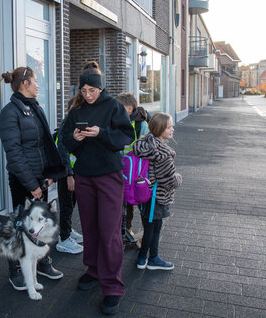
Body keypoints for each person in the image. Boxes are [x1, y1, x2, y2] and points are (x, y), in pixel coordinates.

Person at [62, 62, 134, 316]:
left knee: (110, 231)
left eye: (92, 90)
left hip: (109, 177)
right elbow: (65, 141)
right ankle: (93, 270)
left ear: (100, 88)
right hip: (85, 176)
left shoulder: (113, 106)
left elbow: (127, 137)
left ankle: (112, 287)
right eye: (83, 90)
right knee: (90, 227)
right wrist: (76, 138)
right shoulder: (75, 110)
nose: (87, 95)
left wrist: (101, 133)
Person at [0, 66, 67, 290]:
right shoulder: (10, 113)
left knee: (40, 224)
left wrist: (49, 176)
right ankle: (15, 270)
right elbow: (15, 155)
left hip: (39, 179)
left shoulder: (34, 108)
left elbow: (43, 146)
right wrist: (31, 186)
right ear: (25, 83)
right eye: (35, 81)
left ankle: (42, 262)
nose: (38, 85)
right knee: (20, 224)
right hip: (22, 180)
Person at [132, 112, 182, 271]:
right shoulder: (164, 153)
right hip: (157, 197)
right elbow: (169, 180)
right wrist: (179, 178)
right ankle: (149, 258)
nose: (172, 129)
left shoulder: (144, 143)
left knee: (149, 227)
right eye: (169, 127)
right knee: (153, 229)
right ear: (160, 128)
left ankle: (146, 258)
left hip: (144, 194)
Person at [114, 93, 150, 245]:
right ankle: (124, 230)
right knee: (121, 201)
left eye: (119, 108)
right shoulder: (119, 121)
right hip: (119, 169)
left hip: (136, 172)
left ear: (128, 109)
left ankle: (136, 232)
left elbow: (146, 146)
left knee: (134, 201)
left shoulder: (141, 125)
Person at [54, 117, 84, 254]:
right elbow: (63, 152)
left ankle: (68, 230)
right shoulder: (67, 126)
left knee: (71, 204)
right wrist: (69, 175)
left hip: (74, 172)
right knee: (66, 205)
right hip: (66, 174)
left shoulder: (77, 125)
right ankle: (64, 240)